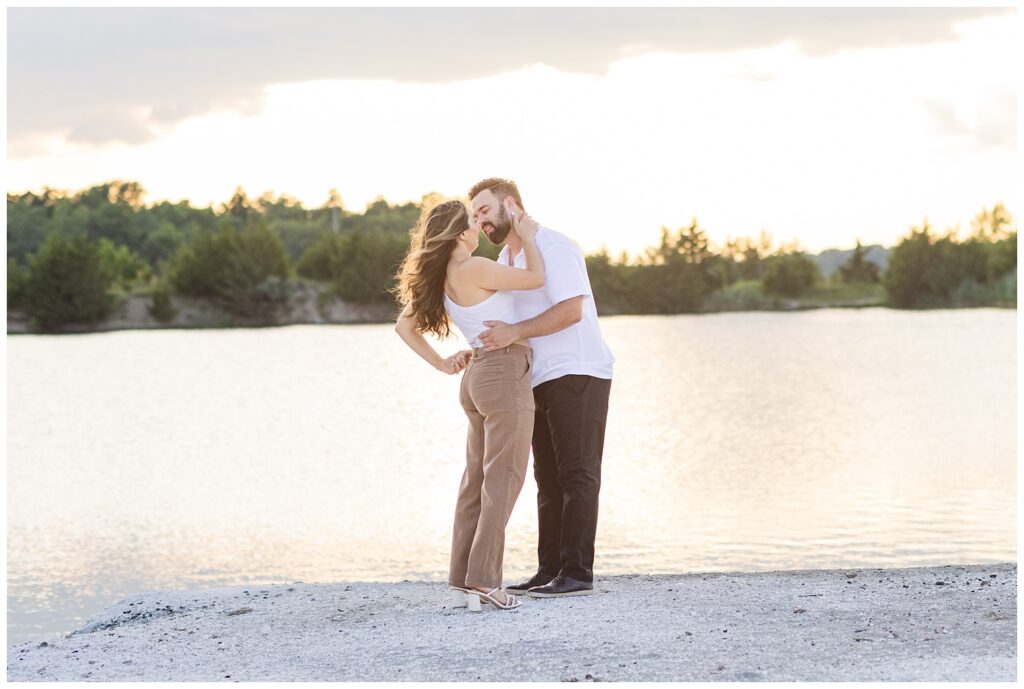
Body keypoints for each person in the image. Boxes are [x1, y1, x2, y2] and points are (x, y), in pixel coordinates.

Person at [394, 198, 544, 612]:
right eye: (473, 222)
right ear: (461, 234)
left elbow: (403, 326)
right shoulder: (473, 267)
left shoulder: (440, 275)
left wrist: (443, 363)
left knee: (476, 479)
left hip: (477, 374)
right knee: (504, 477)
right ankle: (484, 581)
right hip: (503, 372)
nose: (479, 227)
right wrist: (528, 237)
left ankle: (463, 580)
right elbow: (534, 277)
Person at [468, 177, 614, 598]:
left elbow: (571, 310)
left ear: (510, 204)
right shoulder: (512, 259)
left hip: (578, 370)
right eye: (475, 215)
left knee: (577, 473)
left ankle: (577, 574)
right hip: (536, 376)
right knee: (547, 478)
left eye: (484, 210)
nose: (480, 221)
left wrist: (515, 331)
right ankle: (549, 568)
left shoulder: (554, 245)